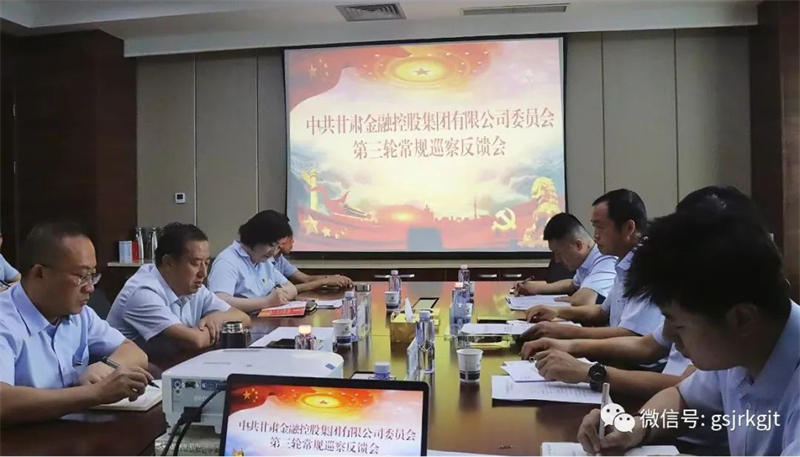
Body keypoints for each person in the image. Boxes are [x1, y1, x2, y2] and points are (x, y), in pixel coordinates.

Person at [575, 210, 799, 456]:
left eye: (678, 324)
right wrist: (633, 427)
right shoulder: (741, 347)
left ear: (741, 318)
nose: (668, 336)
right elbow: (682, 399)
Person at [519, 186, 762, 396]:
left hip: (644, 376)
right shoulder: (653, 269)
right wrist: (636, 425)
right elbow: (655, 353)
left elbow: (680, 384)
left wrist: (589, 369)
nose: (596, 236)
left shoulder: (720, 315)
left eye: (600, 227)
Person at [0, 222, 153, 427]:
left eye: (93, 275)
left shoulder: (78, 314)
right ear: (39, 273)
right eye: (81, 276)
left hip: (69, 432)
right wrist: (94, 393)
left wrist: (106, 367)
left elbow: (134, 352)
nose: (90, 288)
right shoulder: (5, 321)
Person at [521, 189, 663, 341]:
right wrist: (557, 312)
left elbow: (630, 336)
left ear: (628, 228)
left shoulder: (647, 267)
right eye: (594, 227)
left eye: (600, 227)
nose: (595, 236)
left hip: (627, 354)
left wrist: (565, 333)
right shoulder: (623, 263)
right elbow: (602, 312)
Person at [108, 223, 251, 354]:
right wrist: (223, 328)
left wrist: (218, 318)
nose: (203, 273)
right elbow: (195, 341)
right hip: (129, 370)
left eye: (206, 263)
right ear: (168, 263)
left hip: (169, 363)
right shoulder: (142, 292)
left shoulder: (194, 287)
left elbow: (243, 318)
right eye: (196, 263)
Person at [514, 212, 617, 306]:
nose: (557, 260)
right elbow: (573, 284)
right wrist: (536, 288)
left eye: (559, 253)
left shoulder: (606, 259)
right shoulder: (587, 260)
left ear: (578, 245)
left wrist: (554, 310)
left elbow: (583, 301)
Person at [207, 210, 299, 313]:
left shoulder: (264, 262)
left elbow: (292, 289)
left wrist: (278, 296)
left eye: (278, 247)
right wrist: (267, 302)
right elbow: (220, 301)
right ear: (256, 237)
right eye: (271, 245)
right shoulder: (227, 261)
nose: (273, 252)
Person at [275, 232, 353, 293]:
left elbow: (306, 278)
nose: (293, 241)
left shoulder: (280, 259)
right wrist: (324, 282)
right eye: (290, 238)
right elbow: (285, 291)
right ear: (281, 241)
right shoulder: (268, 262)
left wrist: (334, 278)